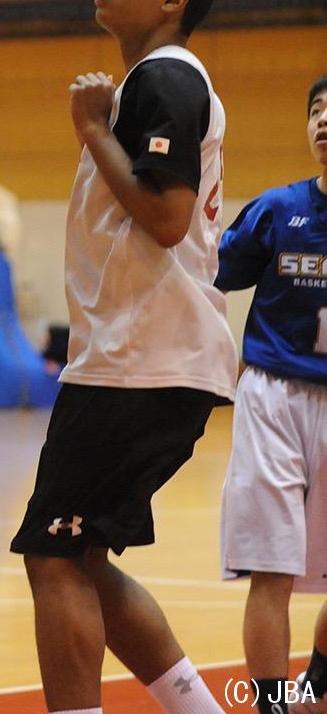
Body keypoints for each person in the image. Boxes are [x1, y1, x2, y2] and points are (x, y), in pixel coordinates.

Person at [10, 0, 238, 714]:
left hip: (141, 359)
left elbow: (167, 218)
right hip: (149, 357)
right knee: (82, 557)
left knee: (54, 557)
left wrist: (91, 130)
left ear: (174, 0)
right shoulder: (155, 82)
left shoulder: (167, 77)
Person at [218, 73, 327, 714]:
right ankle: (272, 705)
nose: (323, 120)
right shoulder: (277, 211)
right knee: (273, 567)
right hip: (273, 397)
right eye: (316, 110)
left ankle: (316, 681)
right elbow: (209, 274)